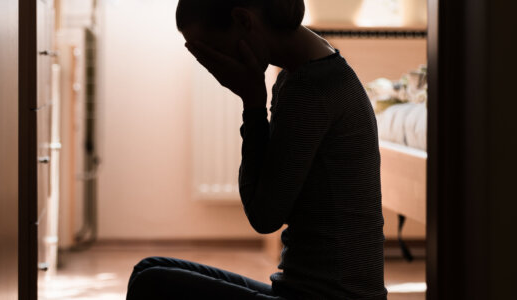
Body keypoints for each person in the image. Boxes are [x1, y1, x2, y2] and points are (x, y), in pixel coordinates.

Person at [126, 0, 387, 299]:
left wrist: (251, 102)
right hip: (302, 287)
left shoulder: (310, 89)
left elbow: (264, 217)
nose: (213, 63)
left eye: (211, 49)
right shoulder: (311, 69)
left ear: (244, 21)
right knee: (148, 269)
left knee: (152, 284)